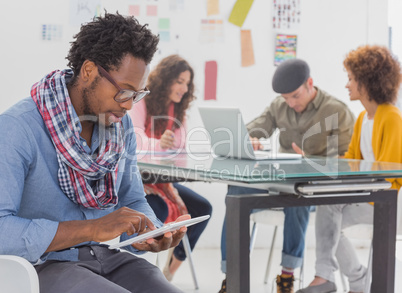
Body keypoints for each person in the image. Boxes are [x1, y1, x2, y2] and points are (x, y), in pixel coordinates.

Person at [0, 13, 190, 293]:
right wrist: (92, 229)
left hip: (104, 258)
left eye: (136, 95)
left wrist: (150, 232)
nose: (128, 107)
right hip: (41, 266)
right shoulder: (18, 128)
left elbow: (133, 198)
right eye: (124, 92)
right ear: (88, 71)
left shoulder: (119, 125)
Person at [219, 59, 356, 293]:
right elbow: (255, 128)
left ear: (310, 83)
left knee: (298, 197)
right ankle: (231, 275)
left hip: (316, 189)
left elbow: (350, 160)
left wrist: (314, 161)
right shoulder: (279, 106)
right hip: (279, 181)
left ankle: (287, 276)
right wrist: (247, 139)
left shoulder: (336, 111)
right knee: (236, 192)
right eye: (285, 98)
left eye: (295, 96)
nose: (291, 103)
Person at [297, 45, 402, 293]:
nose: (347, 85)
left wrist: (355, 185)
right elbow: (351, 162)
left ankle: (355, 282)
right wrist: (312, 160)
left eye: (351, 79)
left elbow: (392, 176)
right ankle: (339, 278)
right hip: (375, 199)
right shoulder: (363, 118)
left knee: (331, 216)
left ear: (366, 82)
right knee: (328, 211)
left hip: (393, 204)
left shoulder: (391, 117)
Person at [130, 54, 212, 281]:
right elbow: (132, 140)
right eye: (180, 81)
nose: (184, 88)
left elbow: (180, 155)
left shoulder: (178, 112)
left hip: (163, 181)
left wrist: (175, 151)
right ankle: (134, 272)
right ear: (165, 79)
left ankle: (168, 273)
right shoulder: (141, 101)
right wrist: (158, 144)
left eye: (187, 83)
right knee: (158, 210)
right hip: (137, 180)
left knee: (202, 209)